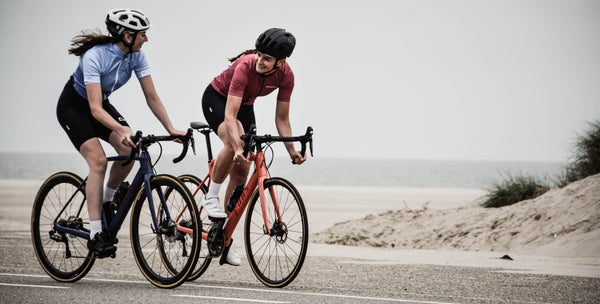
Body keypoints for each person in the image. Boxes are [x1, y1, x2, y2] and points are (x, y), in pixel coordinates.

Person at [56, 8, 186, 257]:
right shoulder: (94, 57)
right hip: (74, 107)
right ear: (127, 36)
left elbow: (151, 96)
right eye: (142, 35)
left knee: (129, 149)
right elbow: (94, 109)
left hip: (99, 105)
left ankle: (107, 200)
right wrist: (120, 127)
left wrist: (170, 128)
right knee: (99, 161)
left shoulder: (137, 57)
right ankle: (96, 234)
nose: (146, 39)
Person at [200, 28, 306, 266]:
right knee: (232, 139)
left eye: (266, 58)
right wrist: (236, 145)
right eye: (259, 54)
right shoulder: (245, 66)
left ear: (281, 62)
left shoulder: (286, 76)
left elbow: (282, 120)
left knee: (243, 167)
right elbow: (230, 116)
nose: (259, 60)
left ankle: (224, 237)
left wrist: (292, 151)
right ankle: (211, 196)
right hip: (217, 99)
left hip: (245, 104)